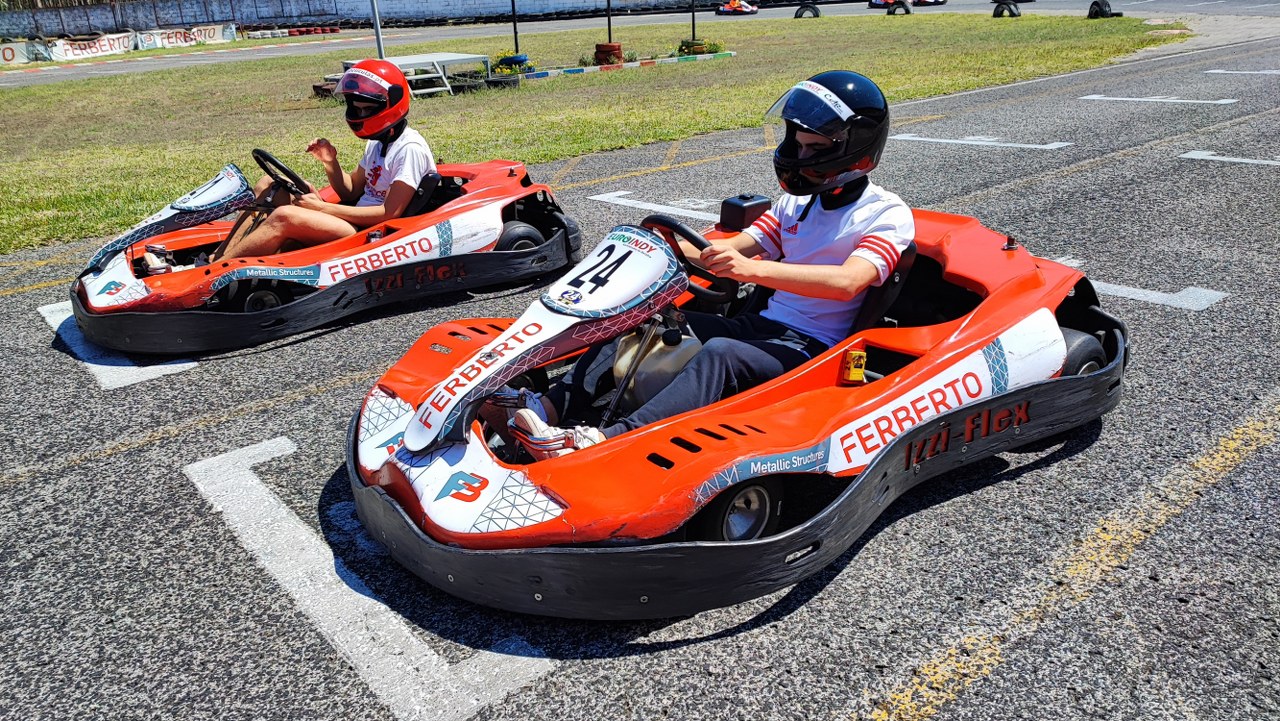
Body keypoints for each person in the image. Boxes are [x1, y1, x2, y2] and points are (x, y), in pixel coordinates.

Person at [504, 70, 916, 459]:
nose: (801, 156)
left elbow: (849, 282)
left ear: (855, 151)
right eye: (800, 144)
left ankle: (607, 441)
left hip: (814, 348)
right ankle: (545, 410)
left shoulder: (884, 214)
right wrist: (657, 245)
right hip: (761, 325)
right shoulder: (797, 202)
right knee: (645, 321)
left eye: (815, 149)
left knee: (721, 353)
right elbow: (734, 249)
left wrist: (749, 270)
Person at [210, 58, 436, 261]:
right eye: (357, 110)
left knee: (284, 216)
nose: (360, 116)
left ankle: (217, 271)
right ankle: (218, 256)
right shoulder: (378, 143)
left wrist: (322, 209)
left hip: (369, 232)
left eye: (367, 109)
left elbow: (389, 213)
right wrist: (330, 162)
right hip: (351, 220)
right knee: (267, 185)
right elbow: (350, 192)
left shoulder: (409, 149)